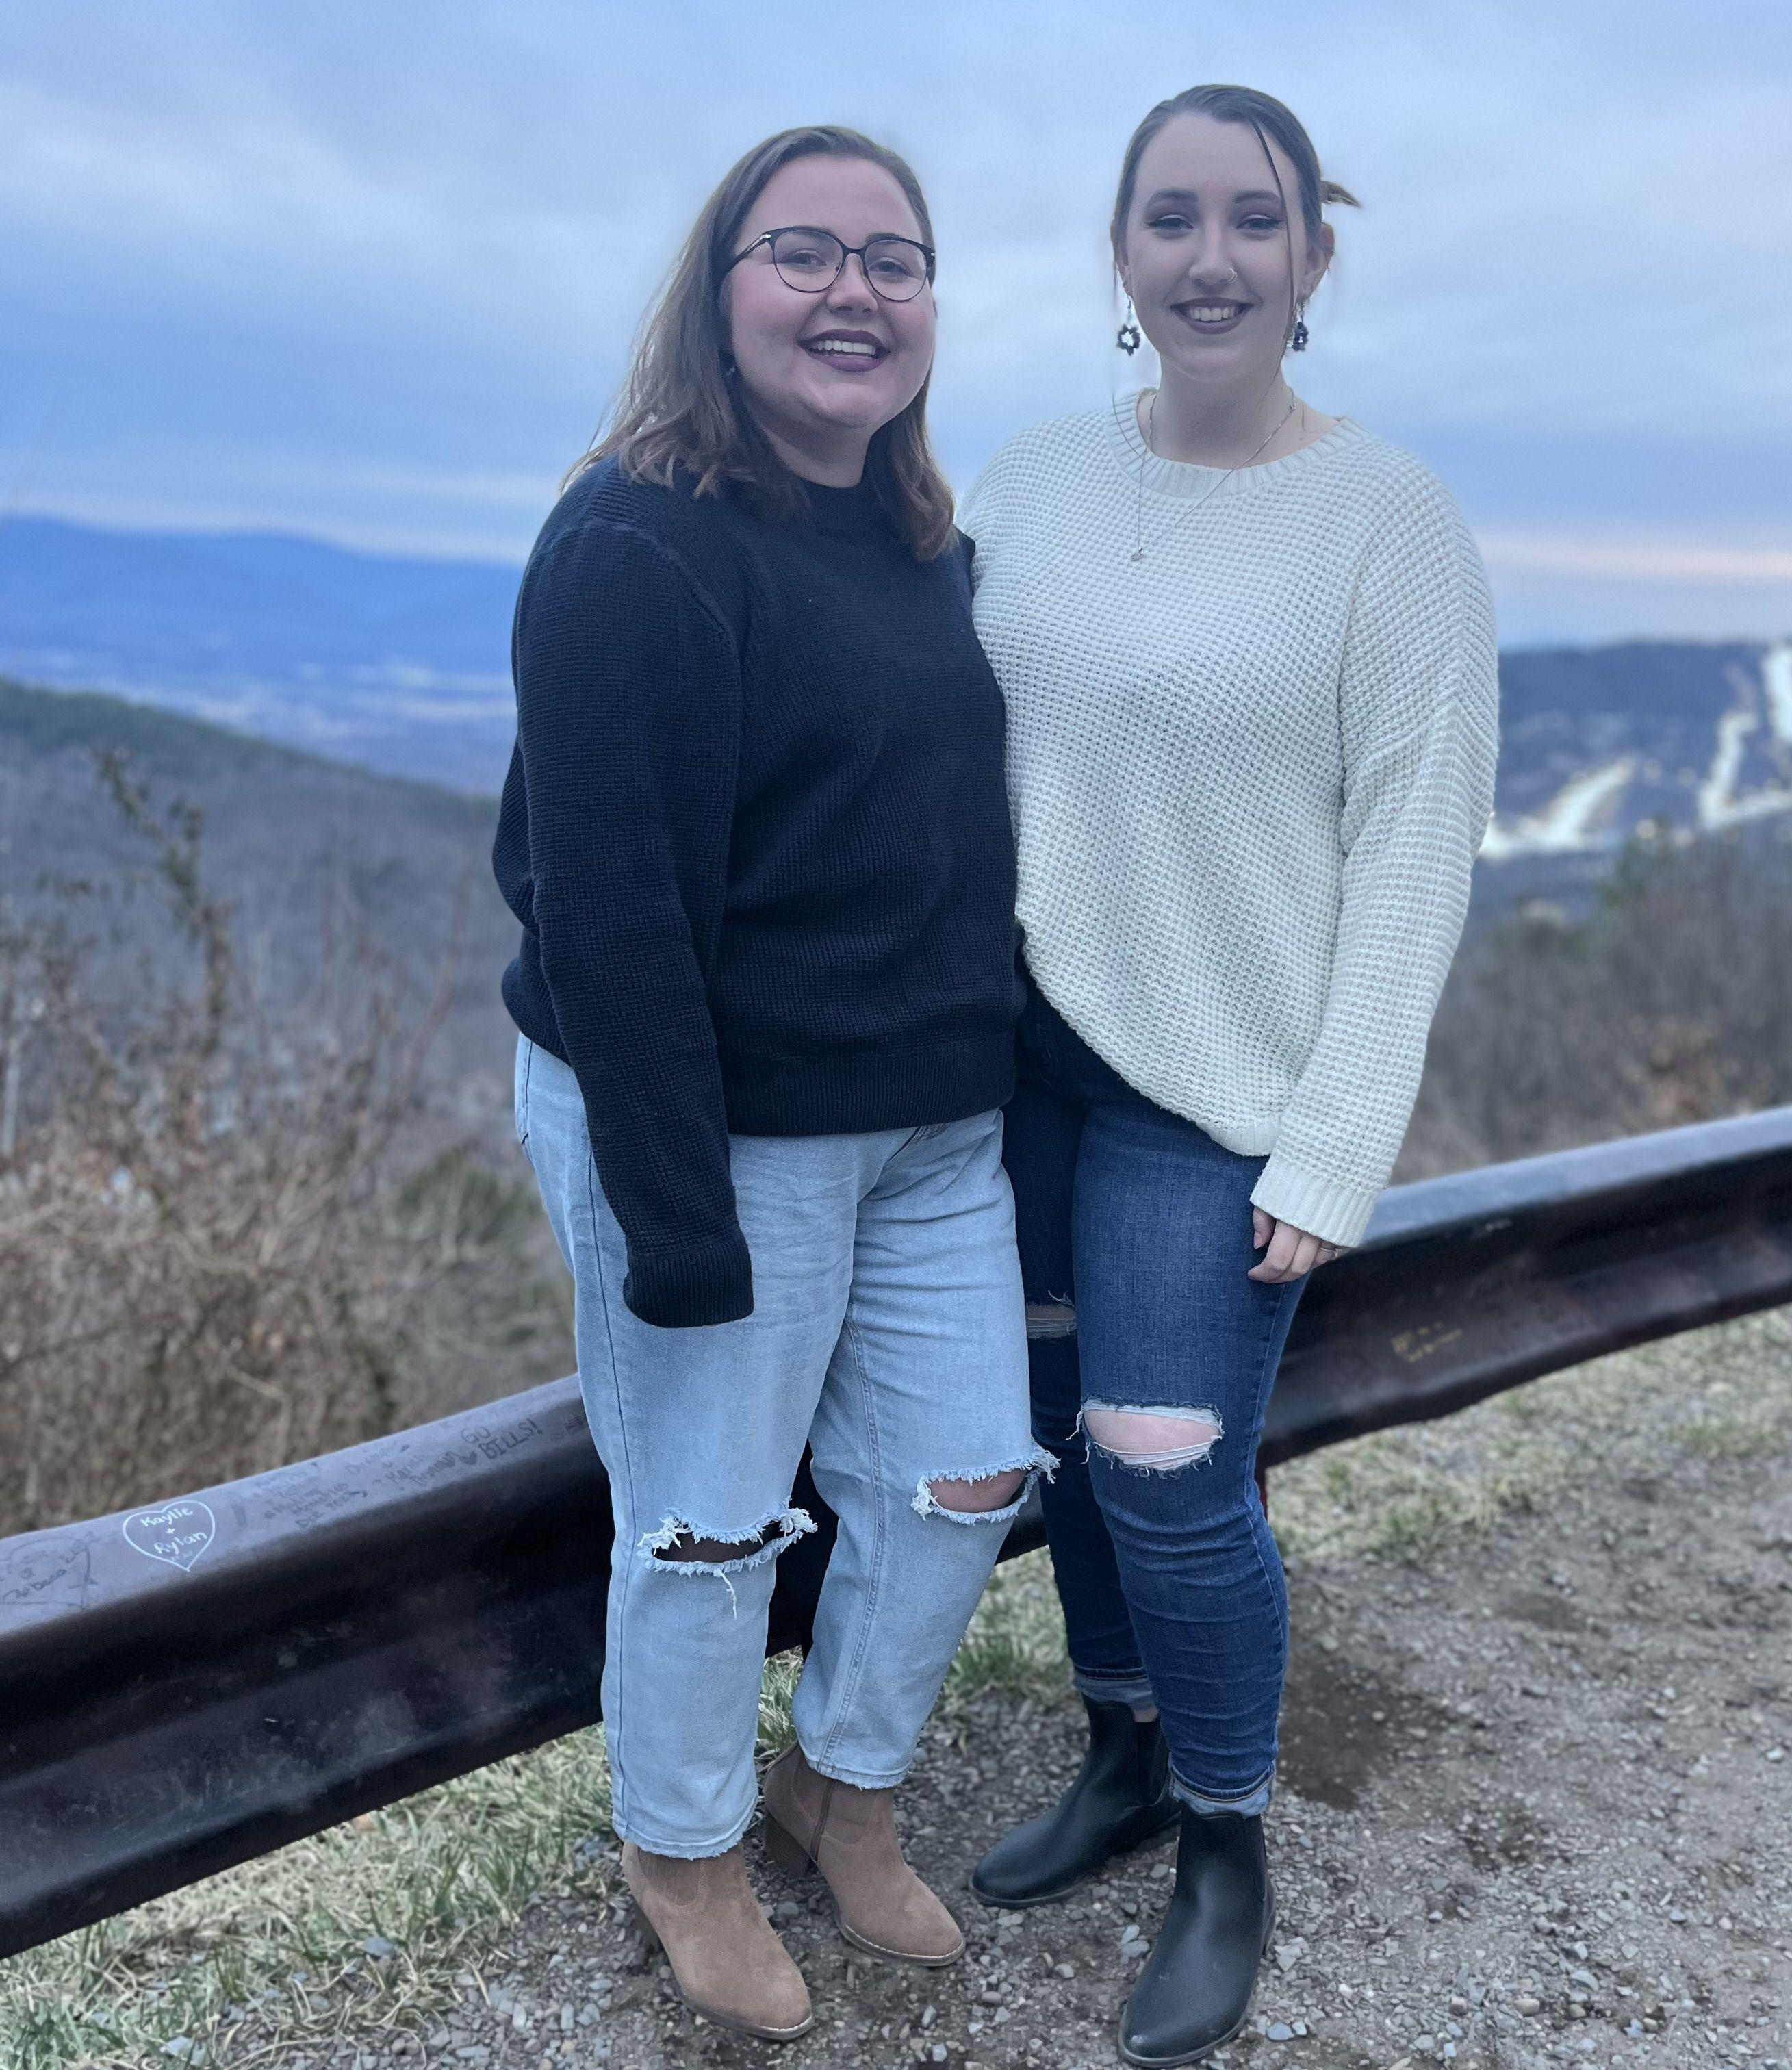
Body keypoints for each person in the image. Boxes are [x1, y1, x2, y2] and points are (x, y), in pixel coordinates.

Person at [960, 84, 1500, 2067]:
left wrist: (1338, 1144)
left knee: (1174, 1469)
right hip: (1010, 1071)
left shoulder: (1389, 524)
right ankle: (1120, 1748)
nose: (1212, 258)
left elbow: (1415, 853)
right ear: (1119, 251)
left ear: (1312, 257)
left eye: (1254, 220)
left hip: (1222, 1088)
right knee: (1067, 1446)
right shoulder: (1031, 476)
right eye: (1172, 217)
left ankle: (1223, 1839)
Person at [495, 125, 1051, 2044]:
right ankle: (684, 1851)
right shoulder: (634, 544)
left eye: (894, 259)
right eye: (803, 252)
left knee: (965, 1482)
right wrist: (675, 1222)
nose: (852, 292)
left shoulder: (924, 548)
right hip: (718, 1127)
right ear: (717, 293)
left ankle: (842, 1790)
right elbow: (608, 917)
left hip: (933, 1128)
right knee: (710, 1521)